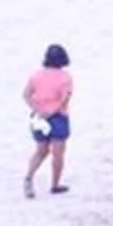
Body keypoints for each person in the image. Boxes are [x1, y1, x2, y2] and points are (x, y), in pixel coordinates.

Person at [23, 43, 73, 198]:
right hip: (58, 118)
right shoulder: (65, 78)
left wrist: (38, 110)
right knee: (58, 154)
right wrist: (52, 112)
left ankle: (28, 178)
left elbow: (26, 95)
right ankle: (55, 185)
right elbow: (64, 100)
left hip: (38, 117)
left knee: (41, 150)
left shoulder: (36, 75)